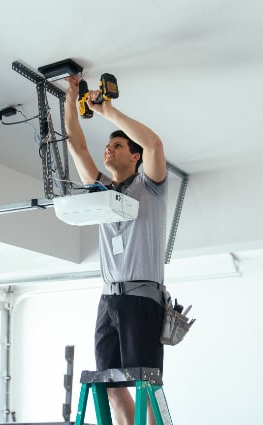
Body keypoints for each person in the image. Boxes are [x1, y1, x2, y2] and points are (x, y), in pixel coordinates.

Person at [64, 76, 168, 425]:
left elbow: (154, 143)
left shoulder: (150, 187)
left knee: (144, 385)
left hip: (142, 298)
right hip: (108, 301)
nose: (108, 150)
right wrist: (71, 98)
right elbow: (77, 148)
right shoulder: (103, 192)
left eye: (118, 146)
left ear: (134, 156)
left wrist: (105, 110)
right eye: (108, 147)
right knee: (109, 384)